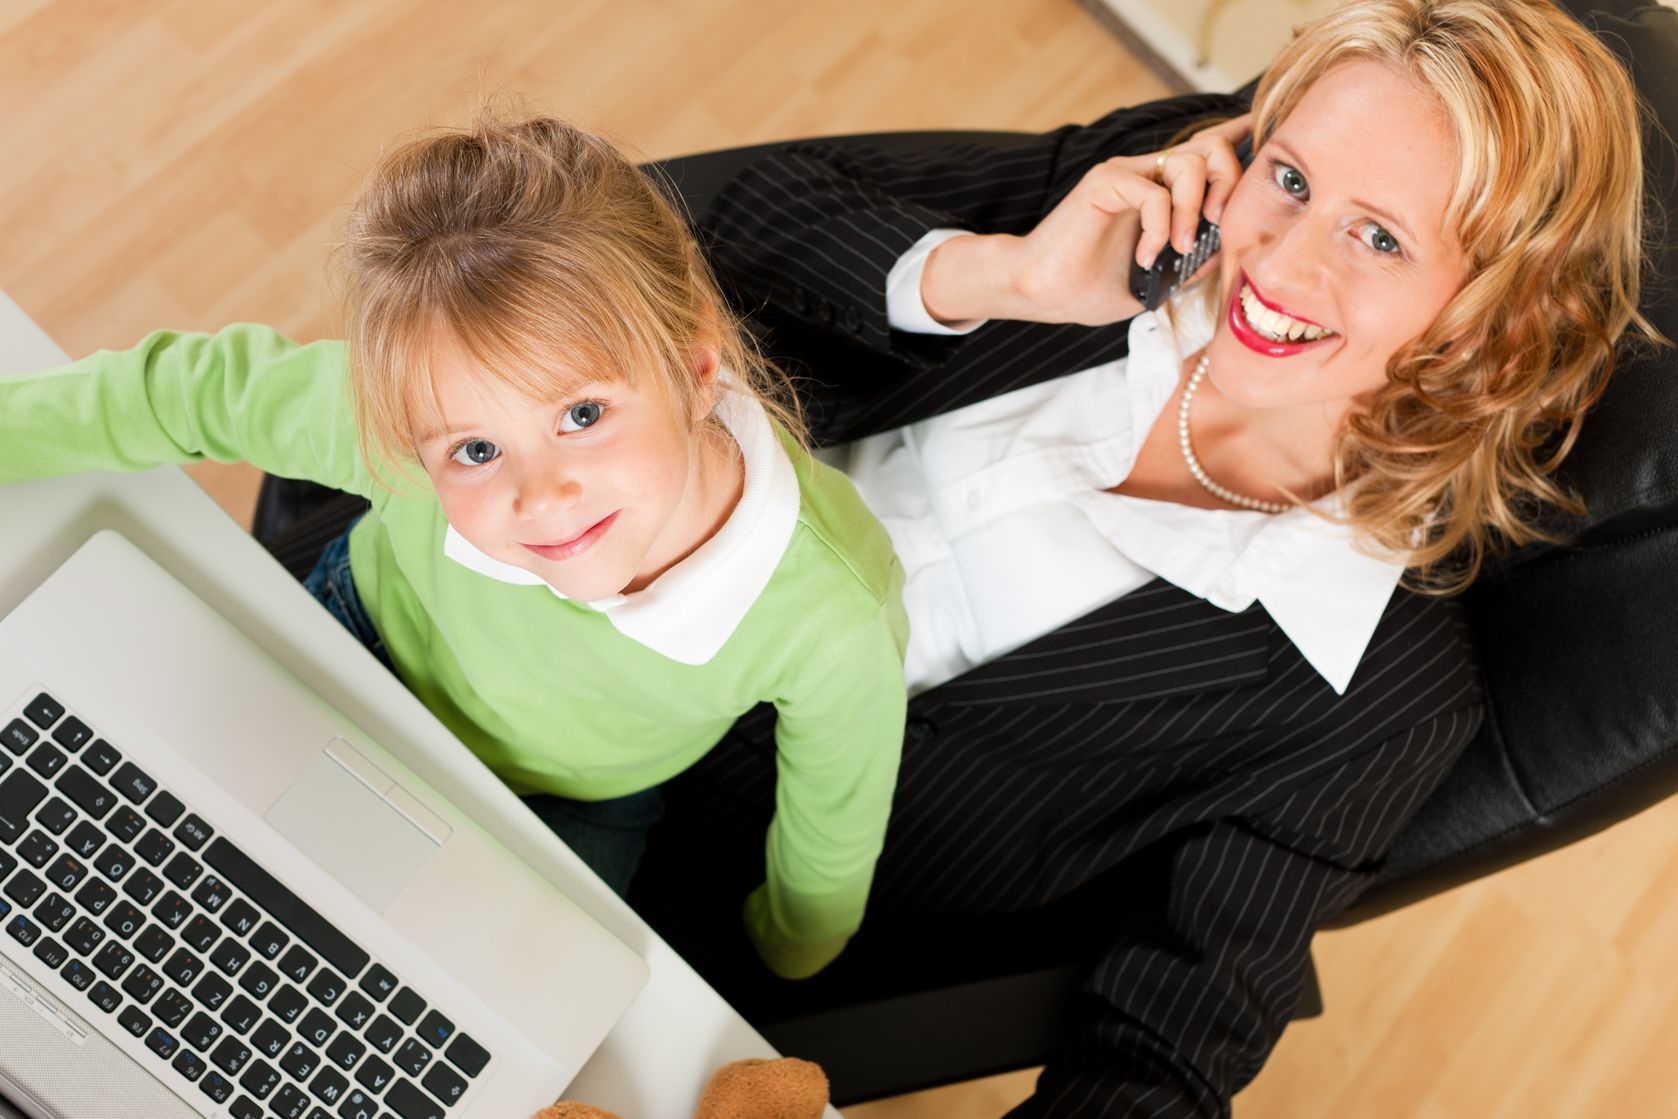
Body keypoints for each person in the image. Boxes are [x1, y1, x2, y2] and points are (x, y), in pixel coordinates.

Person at [625, 0, 1657, 1114]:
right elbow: (687, 215)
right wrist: (994, 277)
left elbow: (1161, 1049)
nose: (1280, 265)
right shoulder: (1121, 230)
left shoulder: (1376, 700)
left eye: (1380, 237)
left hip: (646, 918)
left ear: (1493, 324)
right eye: (1293, 180)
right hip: (476, 604)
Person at [0, 115, 909, 981]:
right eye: (475, 450)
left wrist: (788, 954)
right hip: (359, 645)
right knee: (137, 861)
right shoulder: (398, 424)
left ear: (696, 367)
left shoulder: (832, 605)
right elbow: (188, 393)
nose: (539, 495)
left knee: (449, 1004)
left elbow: (833, 821)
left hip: (566, 803)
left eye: (581, 415)